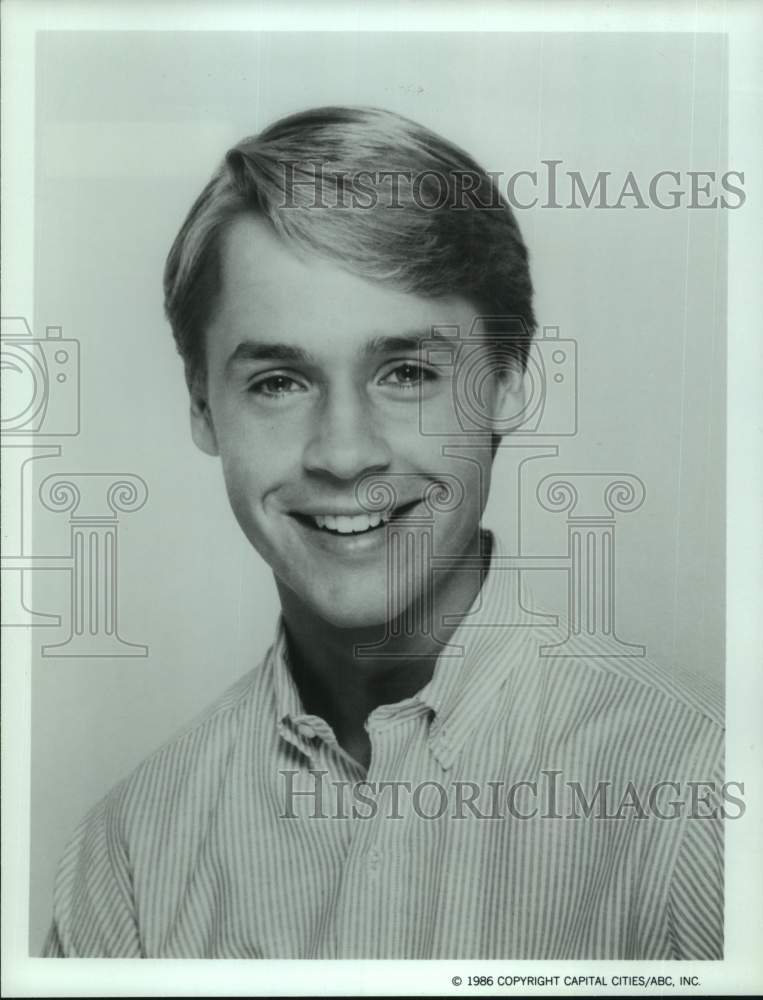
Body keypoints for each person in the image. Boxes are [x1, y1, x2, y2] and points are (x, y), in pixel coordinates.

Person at [43, 106, 723, 959]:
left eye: (405, 373)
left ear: (509, 383)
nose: (342, 452)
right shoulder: (128, 860)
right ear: (200, 405)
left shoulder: (701, 793)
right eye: (279, 382)